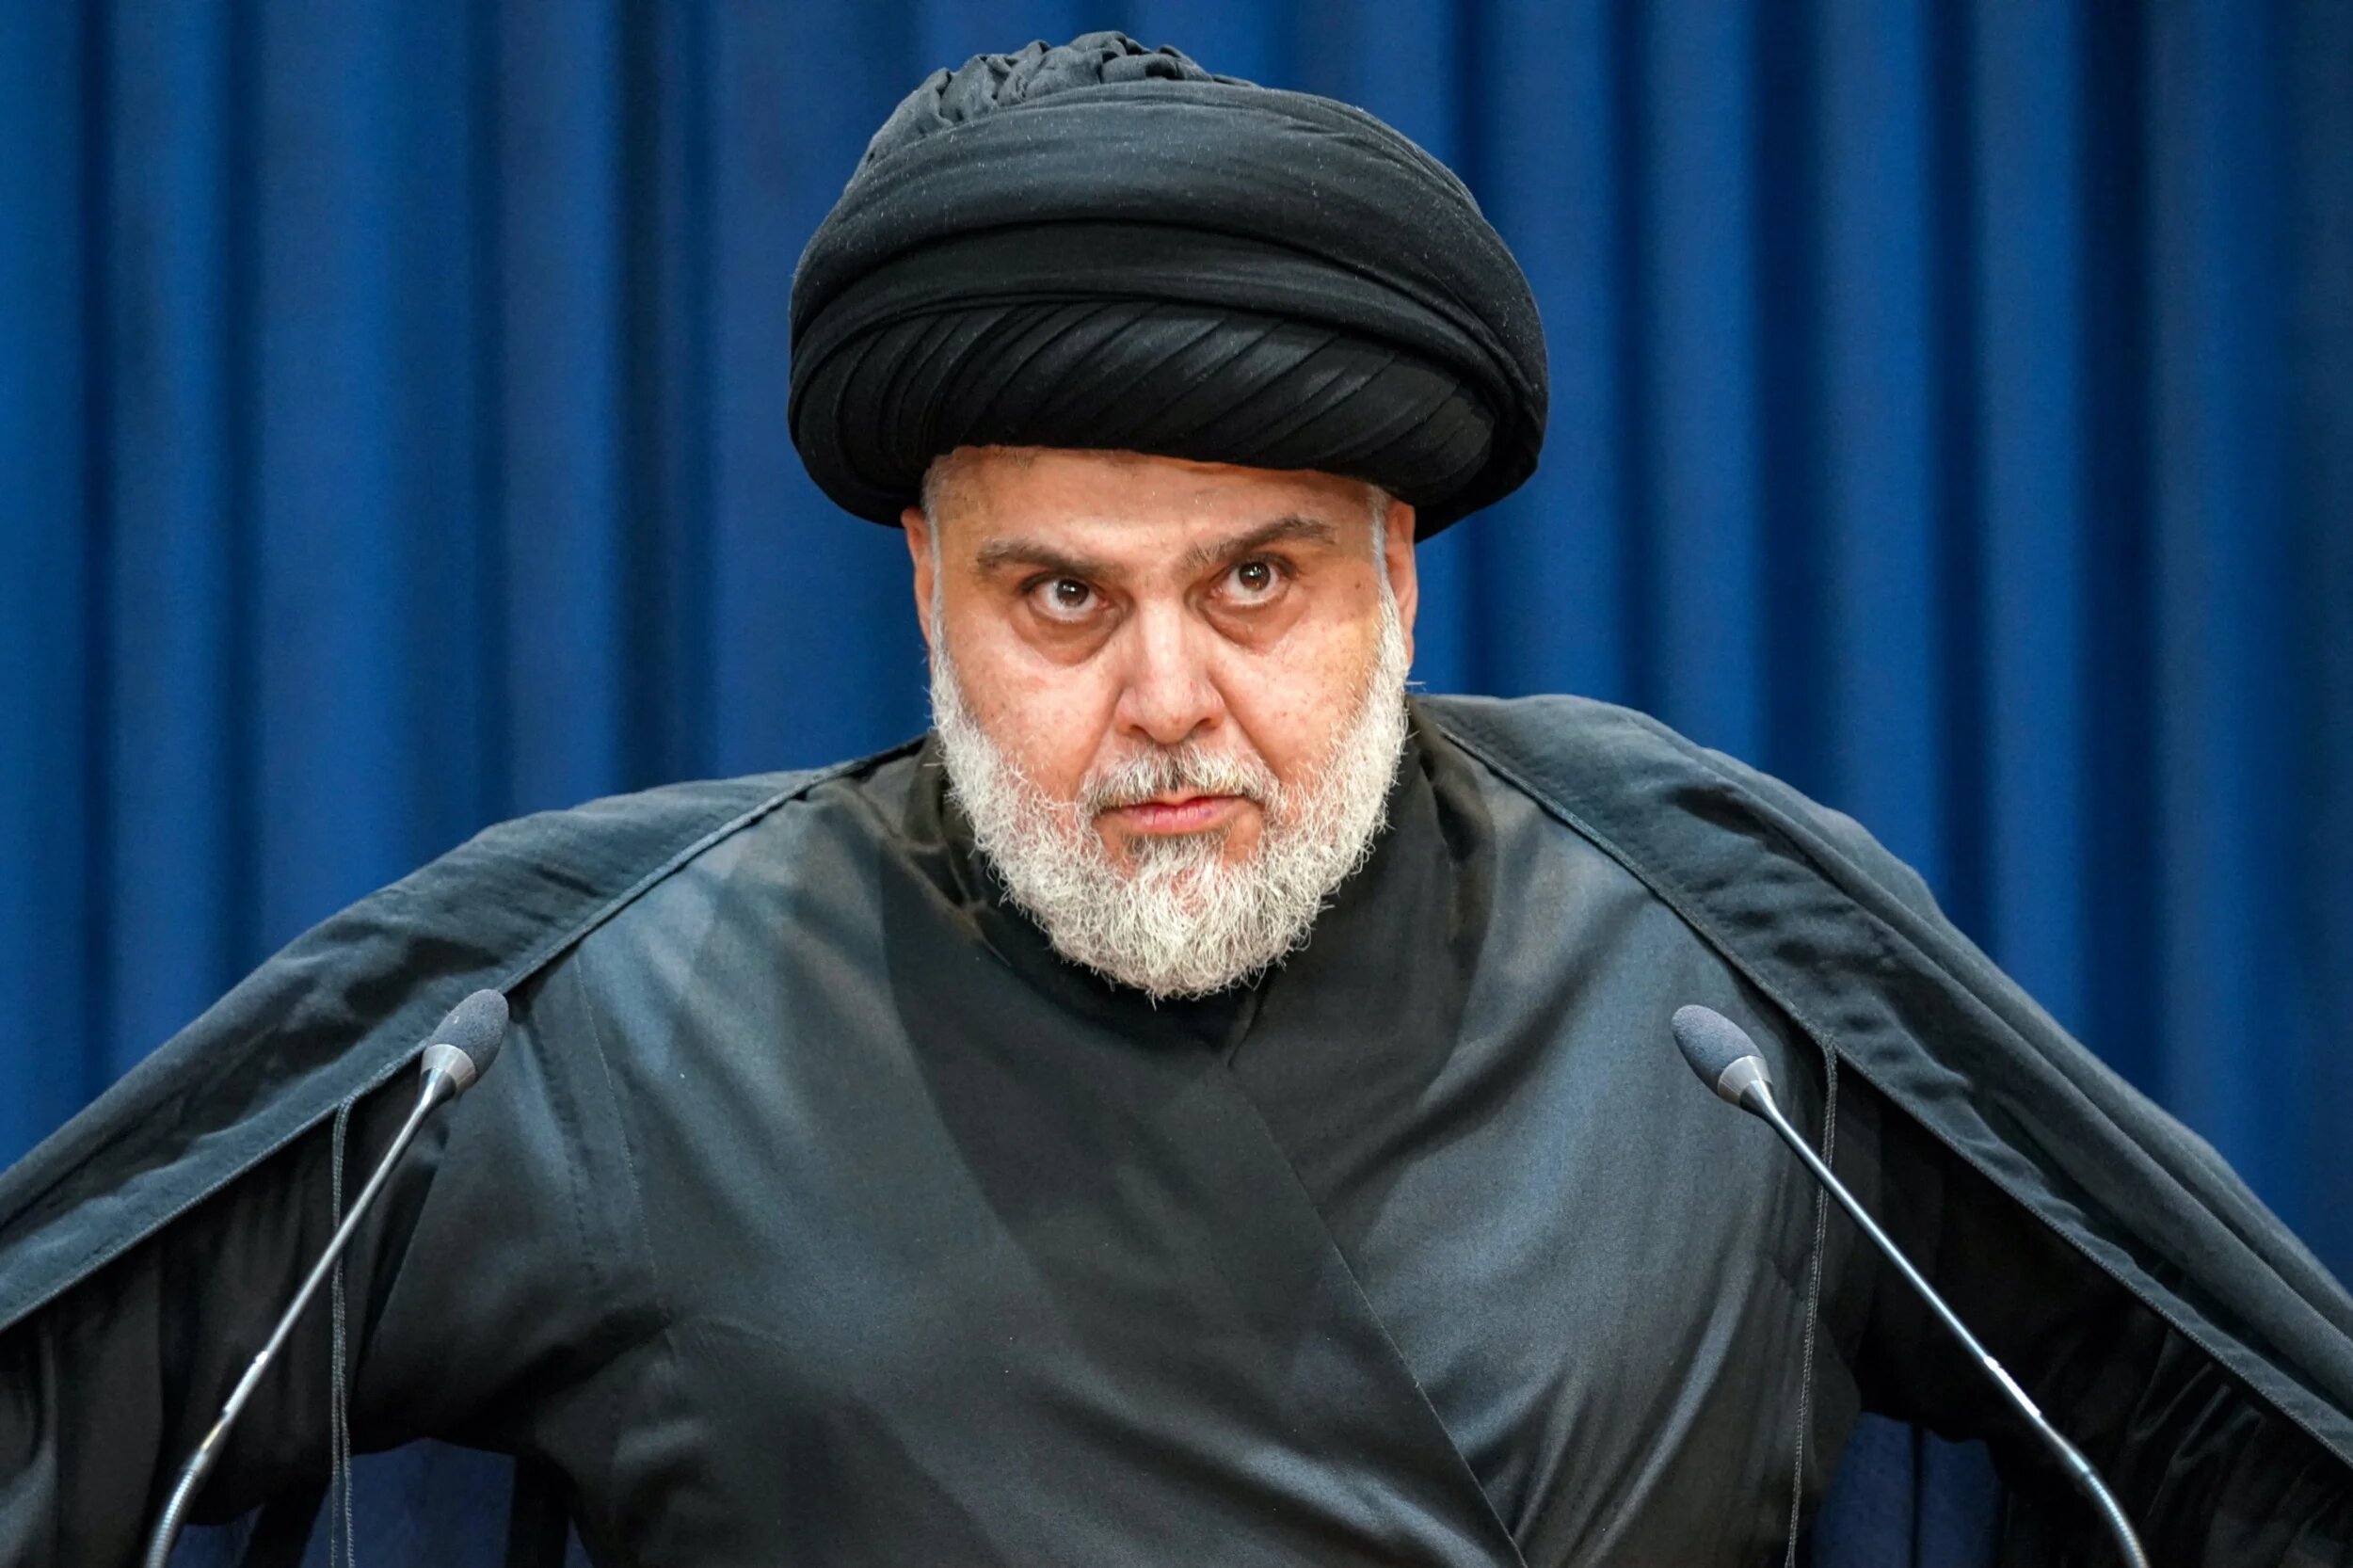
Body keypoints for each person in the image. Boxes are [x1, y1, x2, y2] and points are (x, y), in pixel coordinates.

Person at [3, 31, 2349, 1568]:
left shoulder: (1709, 961)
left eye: (1257, 578)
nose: (1168, 697)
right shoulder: (587, 1007)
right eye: (1056, 596)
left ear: (1395, 569)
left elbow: (2252, 1427)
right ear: (924, 580)